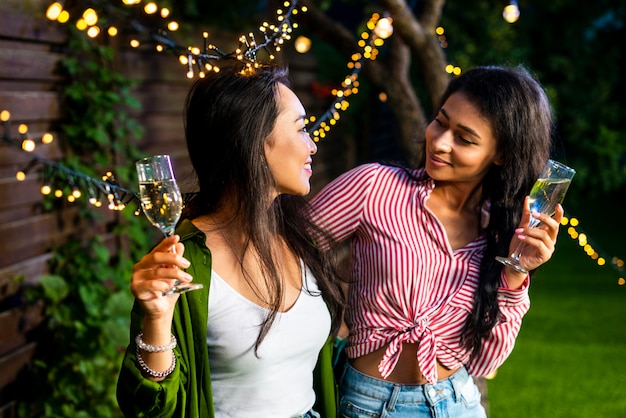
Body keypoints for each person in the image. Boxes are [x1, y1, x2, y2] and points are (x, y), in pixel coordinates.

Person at [307, 65, 562, 417]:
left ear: (500, 154)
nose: (440, 142)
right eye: (441, 122)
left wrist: (517, 272)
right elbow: (282, 250)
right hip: (370, 403)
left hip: (459, 402)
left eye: (465, 138)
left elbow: (487, 362)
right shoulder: (374, 188)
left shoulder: (501, 232)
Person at [117, 65, 345, 418]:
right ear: (253, 142)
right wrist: (157, 321)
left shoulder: (300, 240)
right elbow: (150, 410)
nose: (312, 145)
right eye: (301, 129)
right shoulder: (185, 261)